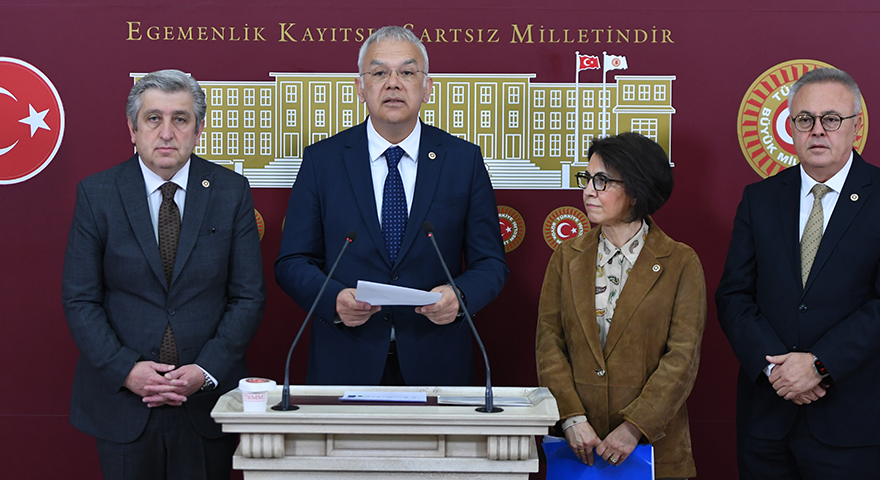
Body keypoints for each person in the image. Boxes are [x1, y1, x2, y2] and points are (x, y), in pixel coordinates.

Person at [275, 25, 508, 386]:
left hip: (437, 360)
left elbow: (491, 262)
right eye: (380, 72)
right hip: (346, 359)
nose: (394, 83)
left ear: (427, 87)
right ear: (360, 87)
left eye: (407, 72)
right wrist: (333, 299)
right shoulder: (323, 161)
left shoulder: (463, 161)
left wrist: (460, 296)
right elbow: (293, 261)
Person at [62, 69, 266, 479]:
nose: (167, 133)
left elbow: (248, 296)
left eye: (180, 119)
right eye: (154, 118)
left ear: (199, 130)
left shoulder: (231, 192)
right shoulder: (97, 194)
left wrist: (206, 370)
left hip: (205, 401)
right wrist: (125, 369)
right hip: (124, 402)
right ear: (133, 129)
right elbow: (81, 299)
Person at [717, 67, 880, 478]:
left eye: (831, 119)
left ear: (856, 125)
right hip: (767, 420)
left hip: (853, 422)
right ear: (790, 127)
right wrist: (776, 371)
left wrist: (820, 364)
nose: (817, 130)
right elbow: (734, 296)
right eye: (805, 119)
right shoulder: (759, 198)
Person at [536, 132, 706, 479]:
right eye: (587, 179)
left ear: (637, 189)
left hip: (653, 447)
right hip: (579, 446)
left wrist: (635, 426)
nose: (588, 191)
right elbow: (549, 344)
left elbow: (682, 358)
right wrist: (571, 417)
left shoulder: (680, 261)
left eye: (602, 181)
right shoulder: (567, 257)